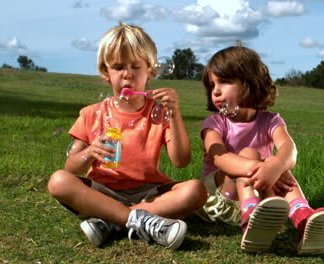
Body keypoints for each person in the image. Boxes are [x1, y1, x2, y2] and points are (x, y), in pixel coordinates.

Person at [47, 22, 207, 250]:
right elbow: (72, 168)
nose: (127, 74)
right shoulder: (91, 114)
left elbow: (181, 161)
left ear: (150, 71)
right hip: (102, 192)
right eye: (118, 66)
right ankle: (139, 221)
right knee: (59, 181)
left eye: (135, 66)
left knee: (196, 190)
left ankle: (111, 222)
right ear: (105, 72)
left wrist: (174, 113)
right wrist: (90, 152)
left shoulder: (159, 113)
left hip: (149, 194)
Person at [197, 45, 324, 254]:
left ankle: (302, 218)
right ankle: (250, 217)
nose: (216, 91)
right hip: (219, 199)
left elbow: (288, 149)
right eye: (212, 85)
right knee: (252, 155)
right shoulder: (215, 122)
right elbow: (220, 159)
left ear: (249, 83)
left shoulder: (270, 120)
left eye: (225, 81)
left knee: (279, 162)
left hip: (259, 194)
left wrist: (275, 166)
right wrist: (264, 167)